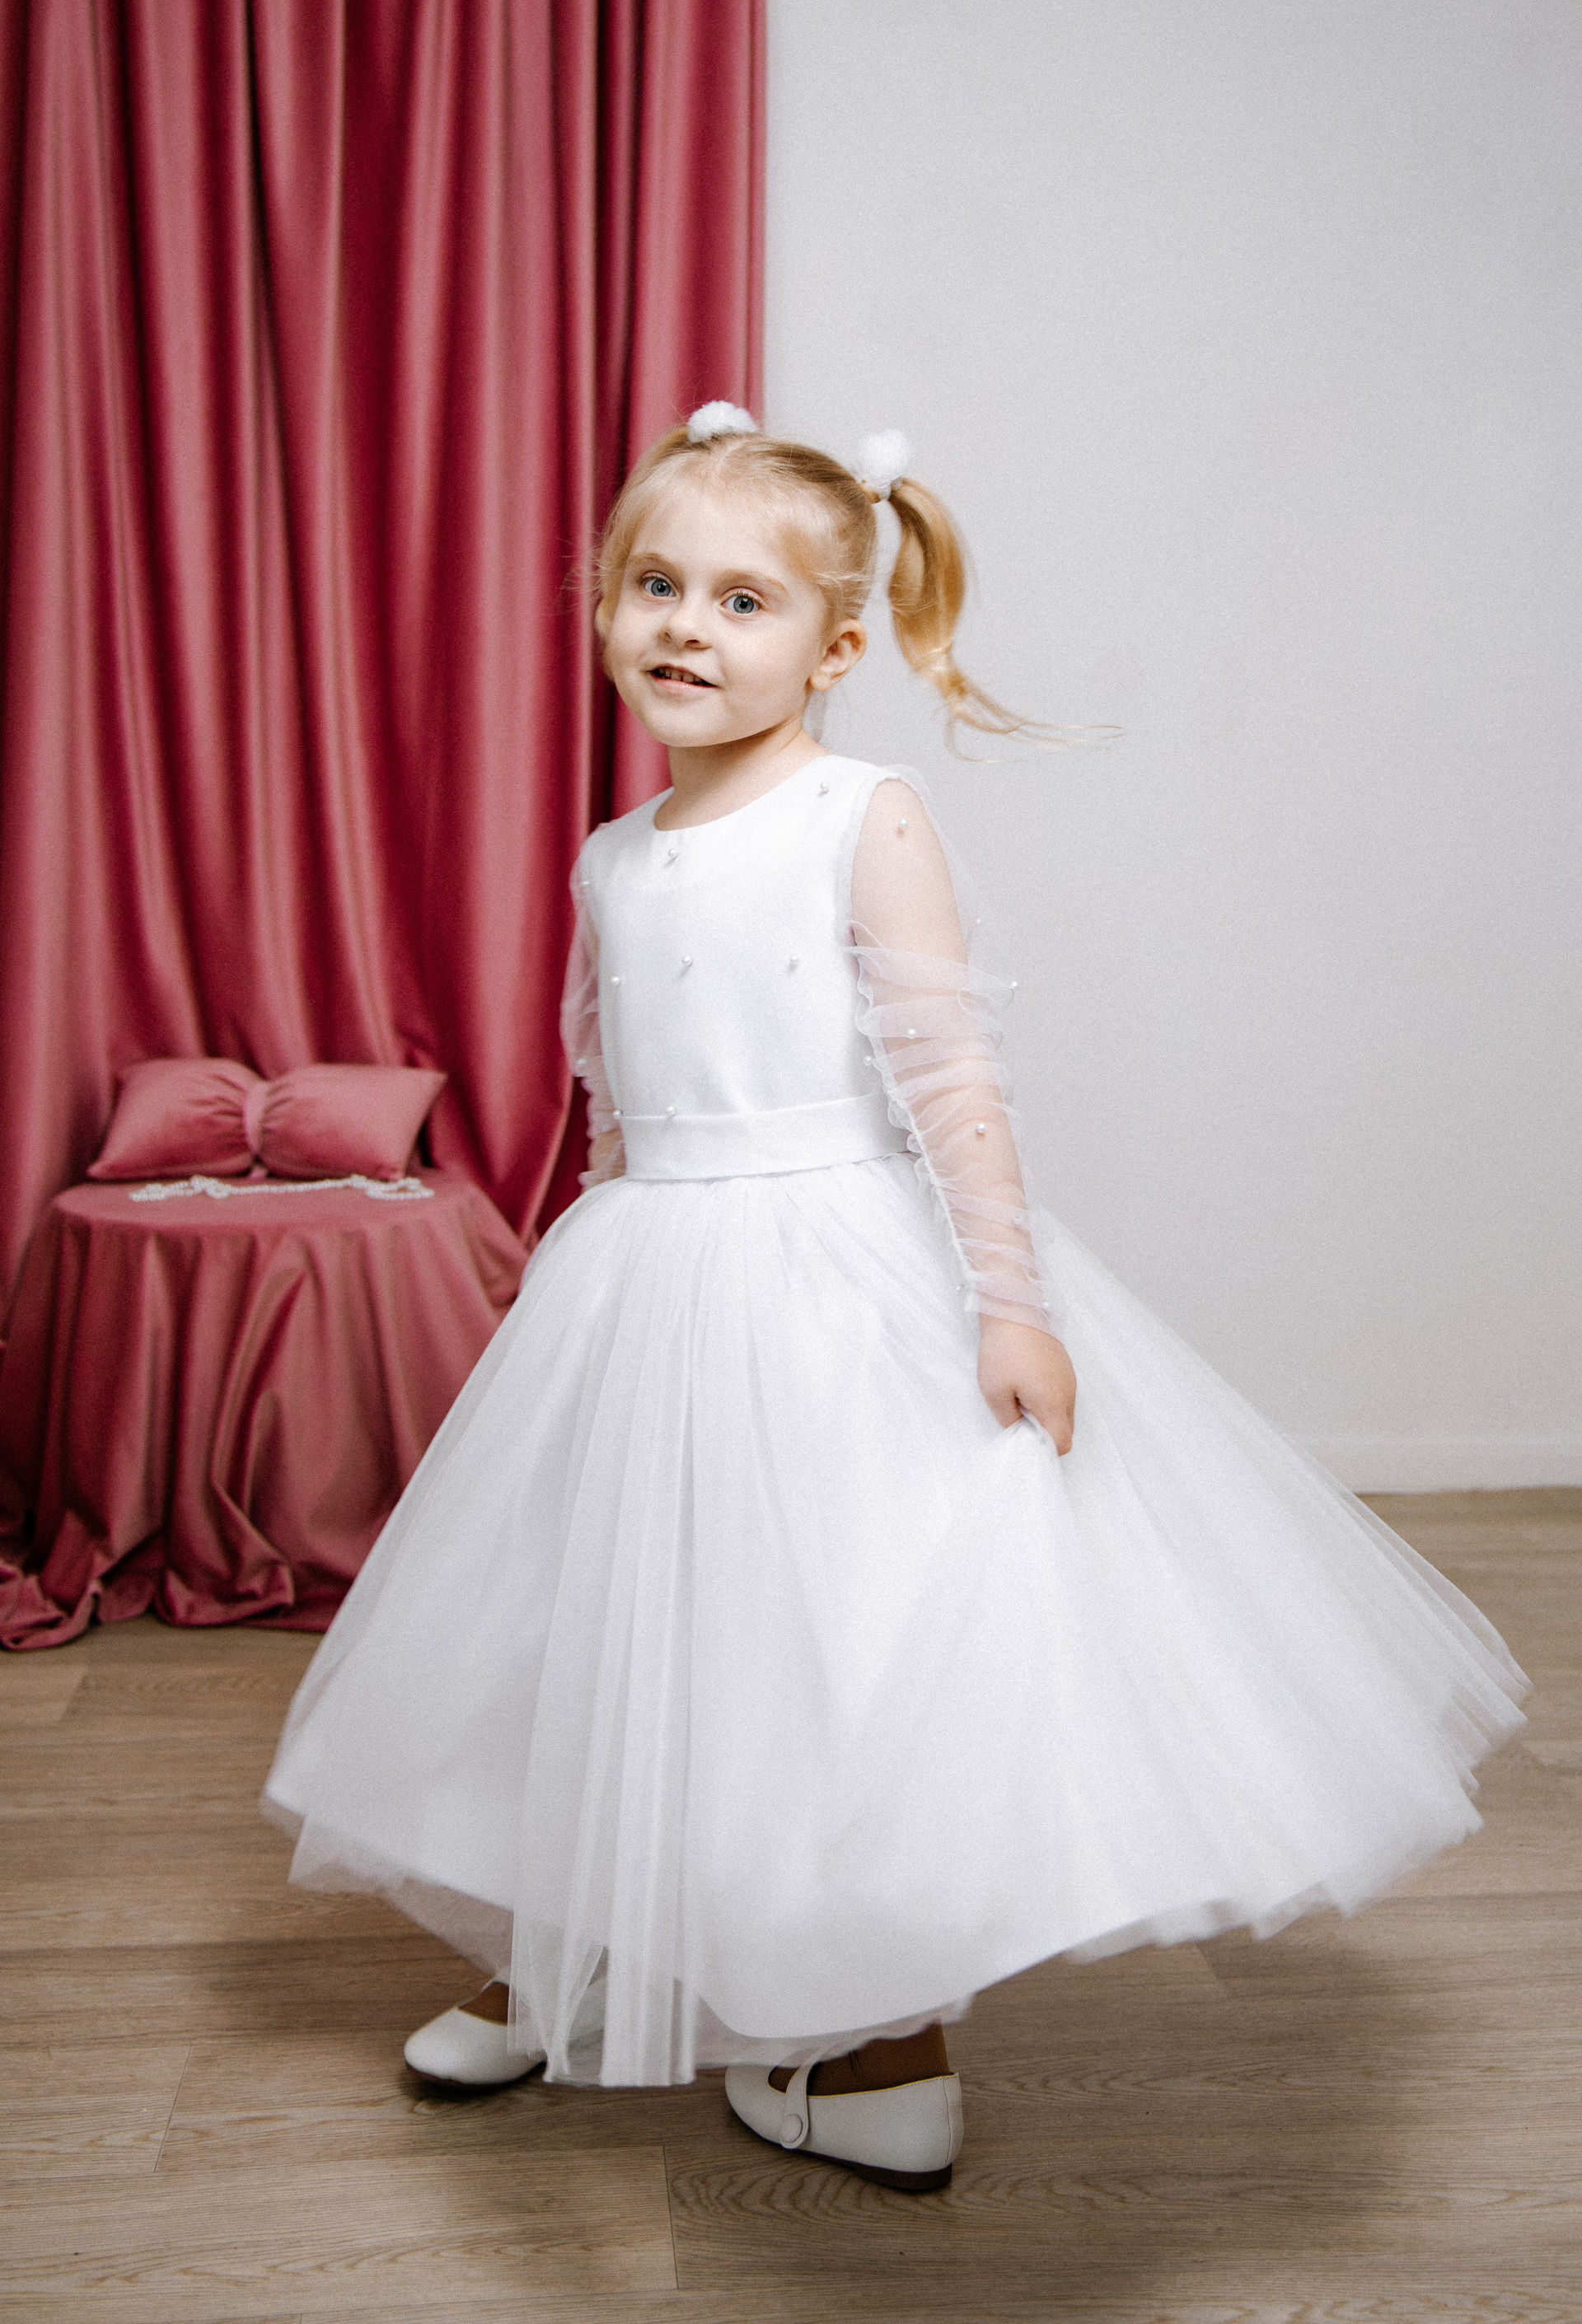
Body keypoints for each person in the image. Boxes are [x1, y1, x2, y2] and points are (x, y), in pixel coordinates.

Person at [264, 402, 1524, 2194]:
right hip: (650, 1271)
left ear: (837, 649)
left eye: (744, 601)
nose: (686, 626)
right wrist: (583, 1277)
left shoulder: (863, 813)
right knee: (599, 1624)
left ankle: (871, 2033)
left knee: (836, 1647)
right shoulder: (616, 854)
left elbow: (948, 1075)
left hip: (832, 1276)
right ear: (604, 605)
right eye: (653, 584)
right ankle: (585, 1940)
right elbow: (619, 1094)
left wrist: (1012, 1303)